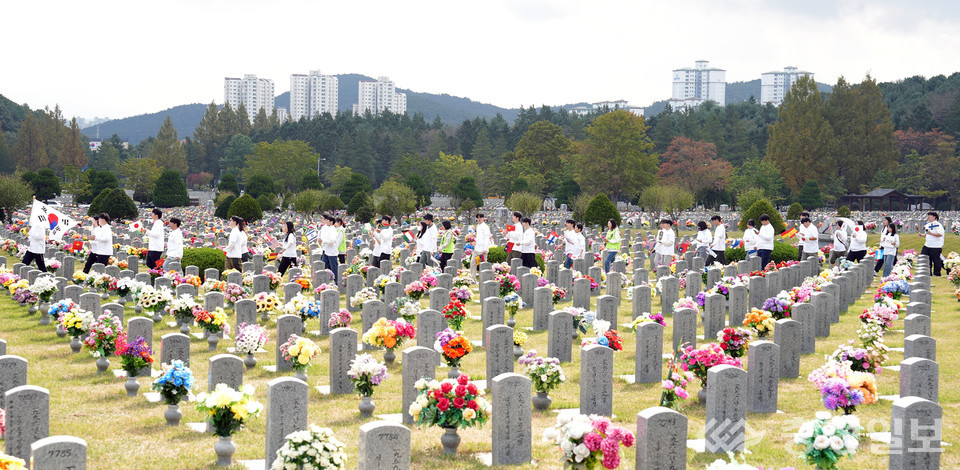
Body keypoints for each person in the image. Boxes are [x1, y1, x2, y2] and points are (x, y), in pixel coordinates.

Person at [919, 211, 944, 276]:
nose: (928, 217)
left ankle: (937, 273)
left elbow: (940, 234)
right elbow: (927, 234)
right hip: (927, 245)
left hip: (936, 246)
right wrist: (922, 235)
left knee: (936, 260)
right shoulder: (928, 225)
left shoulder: (938, 225)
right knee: (924, 257)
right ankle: (927, 272)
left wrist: (931, 233)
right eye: (928, 216)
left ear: (934, 217)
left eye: (930, 216)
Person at [319, 214, 341, 284]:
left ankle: (336, 282)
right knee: (323, 265)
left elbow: (332, 241)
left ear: (331, 222)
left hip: (332, 252)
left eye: (327, 221)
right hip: (326, 251)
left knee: (334, 267)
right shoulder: (326, 228)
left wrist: (323, 241)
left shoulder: (334, 230)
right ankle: (322, 280)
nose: (326, 222)